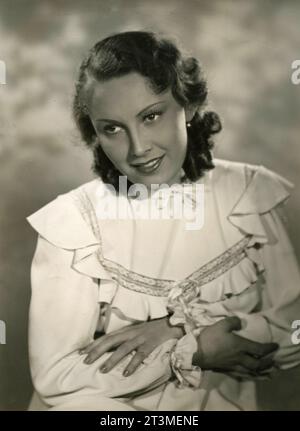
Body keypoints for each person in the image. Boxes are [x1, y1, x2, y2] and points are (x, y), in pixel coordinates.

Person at [27, 31, 300, 411]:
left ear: (188, 106)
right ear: (96, 133)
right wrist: (191, 350)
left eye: (151, 116)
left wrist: (187, 329)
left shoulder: (249, 195)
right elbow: (56, 376)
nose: (139, 149)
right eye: (112, 128)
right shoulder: (73, 223)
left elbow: (293, 332)